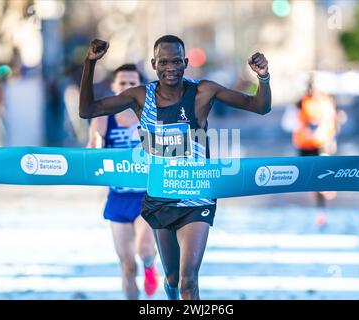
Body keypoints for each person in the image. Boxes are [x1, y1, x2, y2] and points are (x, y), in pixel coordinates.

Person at [79, 35, 271, 300]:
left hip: (197, 197)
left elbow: (260, 106)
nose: (171, 67)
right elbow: (87, 109)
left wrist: (263, 78)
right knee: (171, 279)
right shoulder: (140, 97)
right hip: (160, 198)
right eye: (164, 62)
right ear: (154, 64)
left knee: (188, 281)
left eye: (177, 61)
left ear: (186, 63)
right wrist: (90, 63)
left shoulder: (204, 91)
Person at [87, 64, 158, 300]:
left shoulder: (151, 115)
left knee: (145, 249)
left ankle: (150, 267)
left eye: (132, 83)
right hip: (118, 197)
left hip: (147, 195)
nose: (127, 87)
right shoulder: (104, 119)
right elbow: (92, 153)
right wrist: (96, 145)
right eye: (123, 83)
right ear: (114, 86)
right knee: (127, 265)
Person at [292, 74, 341, 228]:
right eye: (311, 87)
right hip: (305, 146)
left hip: (321, 144)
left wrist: (332, 141)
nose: (314, 90)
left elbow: (333, 122)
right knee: (310, 181)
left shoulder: (327, 102)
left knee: (321, 180)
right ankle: (318, 207)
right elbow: (292, 121)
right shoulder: (301, 102)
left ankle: (321, 211)